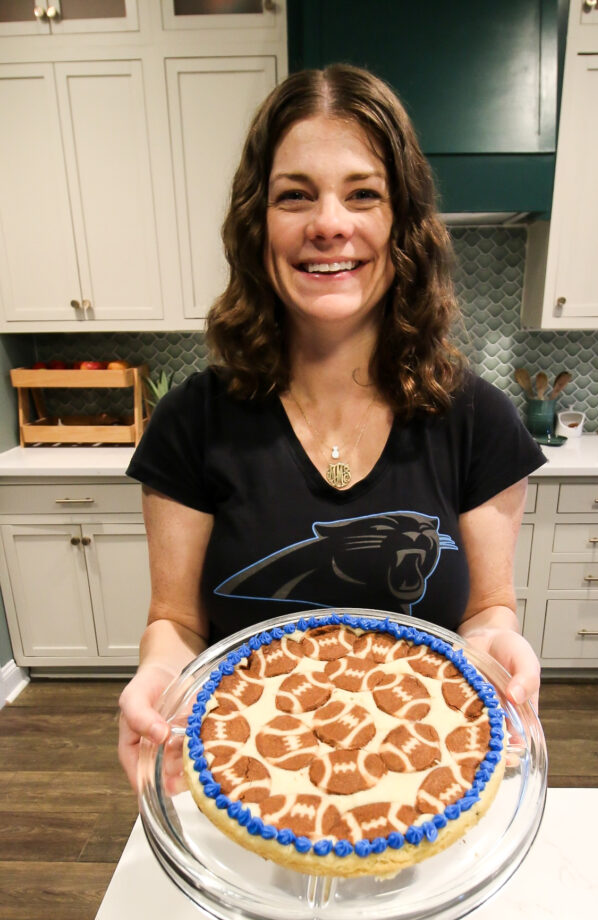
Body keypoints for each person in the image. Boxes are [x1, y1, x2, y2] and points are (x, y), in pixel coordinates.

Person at [118, 64, 546, 791]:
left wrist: (501, 645)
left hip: (421, 774)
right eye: (295, 196)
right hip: (246, 773)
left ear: (401, 222)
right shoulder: (192, 422)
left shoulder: (477, 419)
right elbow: (176, 622)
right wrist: (159, 677)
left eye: (363, 194)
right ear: (258, 224)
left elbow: (484, 611)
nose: (328, 224)